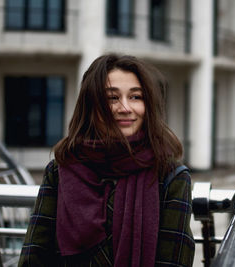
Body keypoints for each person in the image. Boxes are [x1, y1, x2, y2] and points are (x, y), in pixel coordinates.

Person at [18, 54, 195, 266]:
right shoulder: (61, 169)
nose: (125, 108)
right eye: (112, 98)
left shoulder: (170, 176)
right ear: (92, 105)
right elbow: (34, 253)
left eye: (135, 97)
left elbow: (173, 261)